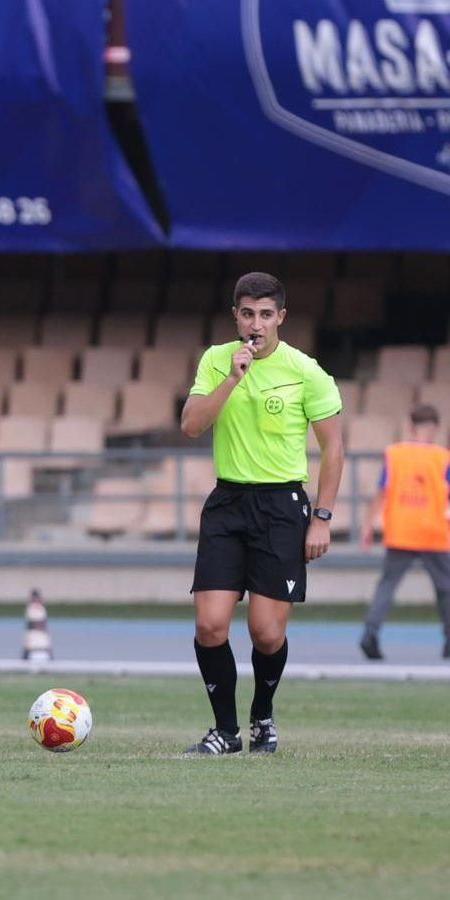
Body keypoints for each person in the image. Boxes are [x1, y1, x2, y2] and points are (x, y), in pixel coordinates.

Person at [179, 272, 344, 755]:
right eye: (247, 314)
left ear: (281, 318)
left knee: (266, 633)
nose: (256, 324)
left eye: (266, 315)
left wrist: (323, 517)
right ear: (236, 316)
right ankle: (226, 732)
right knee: (210, 626)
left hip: (281, 507)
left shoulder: (306, 371)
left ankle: (262, 716)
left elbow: (334, 450)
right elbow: (191, 426)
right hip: (228, 503)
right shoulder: (217, 360)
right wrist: (233, 376)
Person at [359, 404, 450, 661]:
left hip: (401, 529)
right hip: (433, 531)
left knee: (387, 585)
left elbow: (381, 491)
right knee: (446, 588)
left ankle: (370, 633)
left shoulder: (395, 454)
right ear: (435, 428)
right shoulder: (443, 457)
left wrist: (368, 524)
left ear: (410, 426)